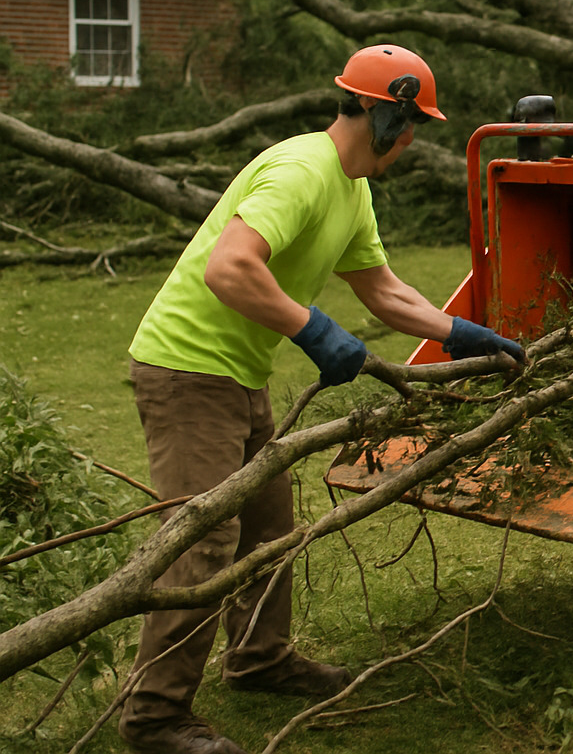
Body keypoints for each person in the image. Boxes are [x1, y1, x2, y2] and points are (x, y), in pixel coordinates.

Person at [120, 44, 525, 754]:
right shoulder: (302, 171)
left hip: (239, 372)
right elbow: (229, 268)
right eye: (412, 125)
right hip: (187, 372)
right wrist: (313, 329)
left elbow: (383, 289)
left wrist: (462, 334)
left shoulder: (351, 187)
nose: (412, 141)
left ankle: (258, 660)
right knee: (202, 540)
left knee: (269, 528)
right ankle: (154, 717)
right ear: (384, 115)